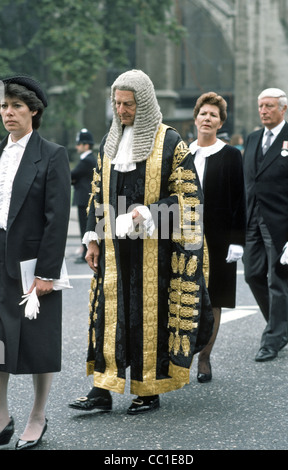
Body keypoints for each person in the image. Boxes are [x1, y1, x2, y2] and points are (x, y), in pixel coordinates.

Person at [69, 69, 214, 415]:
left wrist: (146, 214)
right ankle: (102, 389)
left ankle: (148, 389)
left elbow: (190, 199)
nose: (121, 111)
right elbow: (98, 193)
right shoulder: (110, 140)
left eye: (128, 104)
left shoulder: (170, 142)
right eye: (117, 103)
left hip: (155, 252)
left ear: (145, 103)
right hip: (115, 252)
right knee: (107, 317)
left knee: (149, 318)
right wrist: (92, 239)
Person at [0, 75, 71, 449]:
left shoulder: (53, 154)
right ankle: (1, 415)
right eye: (4, 106)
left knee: (39, 340)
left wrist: (46, 272)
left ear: (34, 111)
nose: (8, 113)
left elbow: (56, 219)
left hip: (32, 261)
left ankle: (38, 415)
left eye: (16, 106)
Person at [189, 92, 246, 382]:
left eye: (213, 115)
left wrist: (238, 241)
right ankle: (180, 356)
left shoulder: (231, 155)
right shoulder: (182, 154)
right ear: (195, 118)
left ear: (221, 122)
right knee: (184, 296)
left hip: (220, 239)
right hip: (185, 237)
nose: (207, 118)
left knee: (214, 299)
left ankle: (205, 358)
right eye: (203, 113)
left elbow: (240, 200)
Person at [243, 88, 288, 362]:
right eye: (261, 106)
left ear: (283, 108)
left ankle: (273, 338)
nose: (263, 111)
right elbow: (248, 184)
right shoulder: (252, 139)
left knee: (278, 280)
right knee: (252, 275)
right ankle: (282, 320)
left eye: (269, 106)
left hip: (281, 223)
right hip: (253, 219)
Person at [71, 128, 96, 263]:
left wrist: (73, 179)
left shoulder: (87, 160)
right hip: (85, 198)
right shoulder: (88, 159)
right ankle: (84, 250)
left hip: (84, 199)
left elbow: (72, 175)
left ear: (86, 145)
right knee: (85, 226)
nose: (77, 146)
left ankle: (85, 253)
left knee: (84, 227)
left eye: (79, 144)